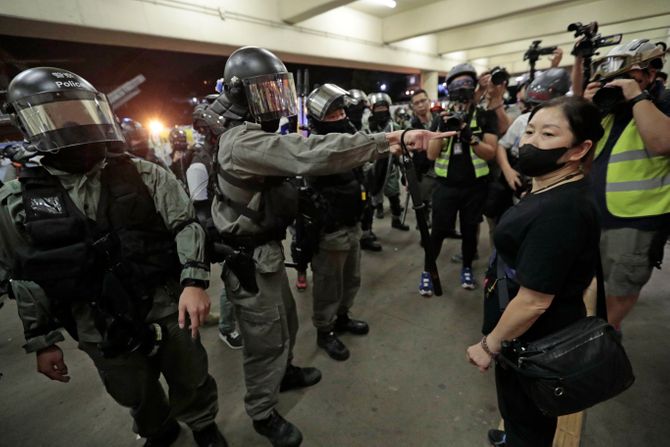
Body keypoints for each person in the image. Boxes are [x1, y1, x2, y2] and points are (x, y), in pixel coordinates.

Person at [212, 46, 446, 446]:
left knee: (283, 324)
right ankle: (262, 413)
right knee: (264, 341)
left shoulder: (250, 136)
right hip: (250, 258)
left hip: (265, 252)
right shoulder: (241, 142)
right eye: (263, 94)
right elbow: (310, 154)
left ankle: (283, 374)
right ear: (238, 96)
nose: (273, 106)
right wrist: (388, 139)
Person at [0, 67, 227, 447]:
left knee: (191, 375)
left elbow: (185, 225)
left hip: (165, 304)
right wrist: (42, 340)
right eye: (57, 118)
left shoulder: (145, 174)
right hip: (95, 320)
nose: (74, 127)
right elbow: (24, 273)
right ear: (29, 125)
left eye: (81, 113)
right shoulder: (16, 200)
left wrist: (193, 282)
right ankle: (158, 428)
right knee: (131, 390)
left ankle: (202, 423)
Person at [466, 96, 604, 447]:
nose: (529, 142)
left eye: (547, 134)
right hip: (521, 333)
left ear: (579, 149)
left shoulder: (562, 211)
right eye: (529, 131)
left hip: (533, 339)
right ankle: (513, 434)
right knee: (517, 411)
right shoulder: (549, 185)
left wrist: (489, 344)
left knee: (530, 421)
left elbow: (534, 301)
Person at [582, 39, 670, 330]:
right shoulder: (609, 110)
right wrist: (586, 108)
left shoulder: (663, 103)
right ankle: (593, 334)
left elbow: (661, 143)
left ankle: (604, 339)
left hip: (636, 221)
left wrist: (636, 96)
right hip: (596, 215)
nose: (615, 84)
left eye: (625, 77)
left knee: (620, 291)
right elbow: (582, 155)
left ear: (650, 75)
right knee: (592, 283)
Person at [305, 83, 370, 362]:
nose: (339, 116)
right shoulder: (314, 145)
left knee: (351, 278)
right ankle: (325, 329)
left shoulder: (350, 137)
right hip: (329, 229)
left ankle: (342, 317)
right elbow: (333, 158)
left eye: (341, 110)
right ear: (319, 119)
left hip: (352, 223)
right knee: (328, 283)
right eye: (332, 113)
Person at [423, 63, 497, 294]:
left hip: (475, 187)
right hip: (445, 187)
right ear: (450, 89)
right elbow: (431, 154)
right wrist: (443, 130)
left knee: (469, 230)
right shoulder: (440, 118)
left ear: (474, 86)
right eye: (457, 84)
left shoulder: (485, 116)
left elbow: (491, 152)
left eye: (467, 83)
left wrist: (469, 136)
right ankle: (428, 270)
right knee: (438, 231)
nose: (462, 88)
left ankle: (466, 267)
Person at [191, 99, 244, 349]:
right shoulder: (200, 163)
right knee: (231, 279)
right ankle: (226, 327)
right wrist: (219, 241)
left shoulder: (221, 154)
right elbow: (201, 210)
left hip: (230, 223)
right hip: (220, 230)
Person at [368, 92, 410, 231]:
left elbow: (401, 152)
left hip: (390, 170)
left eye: (383, 109)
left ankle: (396, 220)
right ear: (372, 110)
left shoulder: (394, 127)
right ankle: (367, 231)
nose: (381, 112)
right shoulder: (367, 127)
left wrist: (405, 172)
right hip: (372, 170)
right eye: (377, 109)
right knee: (371, 201)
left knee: (394, 197)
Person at [347, 89, 381, 251]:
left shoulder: (365, 124)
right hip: (350, 174)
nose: (359, 111)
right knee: (355, 206)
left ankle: (366, 234)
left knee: (368, 205)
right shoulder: (344, 126)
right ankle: (358, 235)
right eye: (356, 107)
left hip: (365, 172)